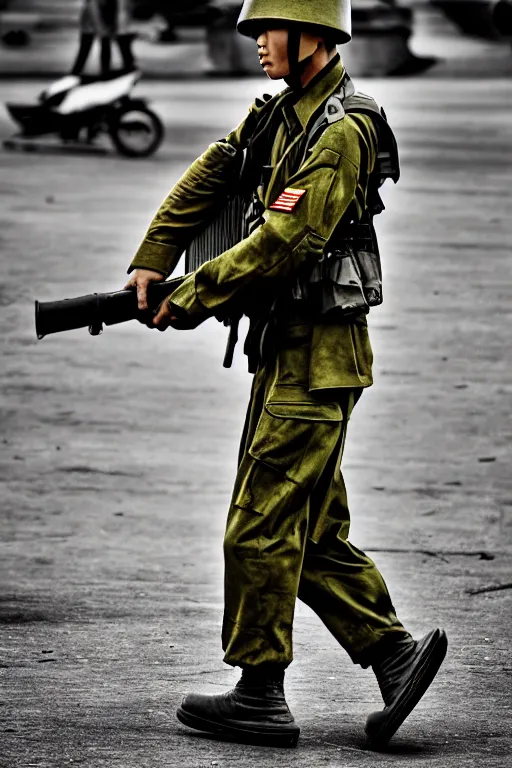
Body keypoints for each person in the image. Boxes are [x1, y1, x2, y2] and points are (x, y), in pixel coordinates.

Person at [124, 0, 447, 749]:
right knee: (310, 527)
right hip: (292, 352)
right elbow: (209, 175)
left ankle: (260, 695)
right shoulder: (280, 116)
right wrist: (152, 259)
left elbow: (285, 244)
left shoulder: (340, 130)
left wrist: (194, 294)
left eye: (268, 30)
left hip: (317, 356)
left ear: (312, 36)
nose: (259, 43)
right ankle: (395, 657)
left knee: (259, 524)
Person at [71, 0, 136, 76]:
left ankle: (104, 72)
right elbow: (94, 10)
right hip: (95, 22)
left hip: (100, 21)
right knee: (90, 48)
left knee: (95, 47)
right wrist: (102, 28)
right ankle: (77, 73)